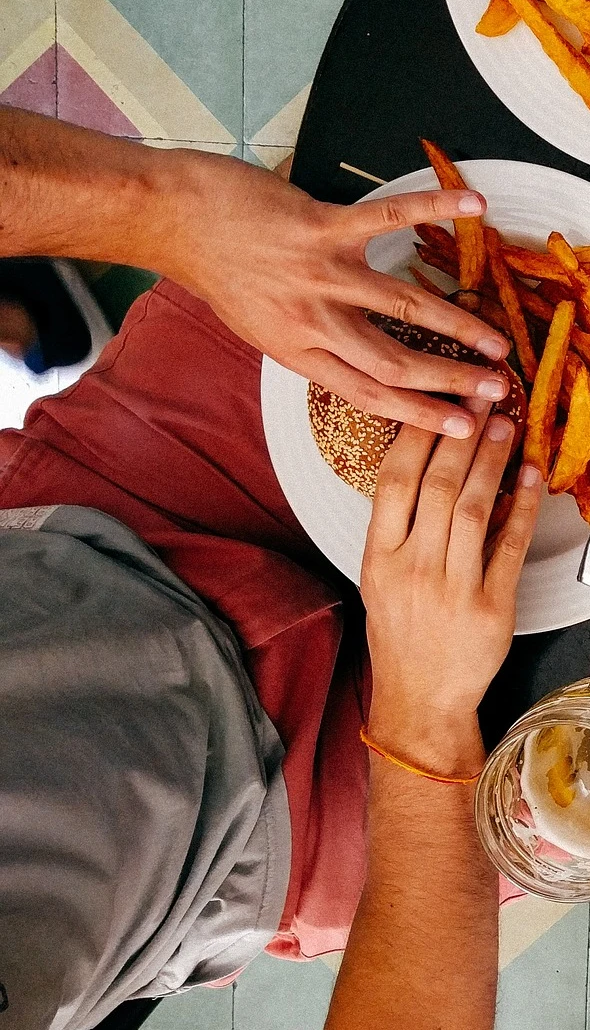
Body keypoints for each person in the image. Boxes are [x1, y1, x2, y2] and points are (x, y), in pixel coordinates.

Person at [0, 104, 527, 1027]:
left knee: (419, 196)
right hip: (267, 838)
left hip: (91, 518)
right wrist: (426, 724)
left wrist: (162, 211)